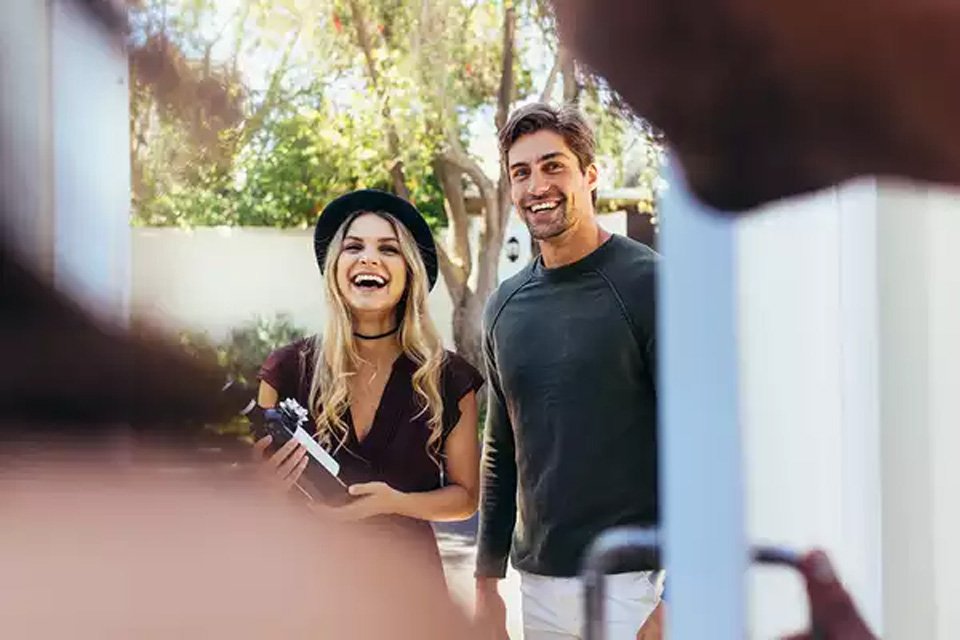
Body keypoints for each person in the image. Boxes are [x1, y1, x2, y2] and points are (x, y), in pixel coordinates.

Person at [474, 103, 662, 640]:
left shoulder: (648, 284)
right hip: (539, 583)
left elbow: (699, 441)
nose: (538, 185)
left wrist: (678, 595)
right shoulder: (503, 306)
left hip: (634, 583)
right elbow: (500, 449)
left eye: (553, 166)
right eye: (522, 172)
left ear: (590, 174)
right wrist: (488, 583)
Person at [251, 189, 484, 584]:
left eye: (389, 249)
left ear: (410, 270)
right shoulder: (286, 369)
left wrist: (398, 503)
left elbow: (466, 498)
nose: (369, 258)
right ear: (335, 267)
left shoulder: (449, 377)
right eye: (353, 246)